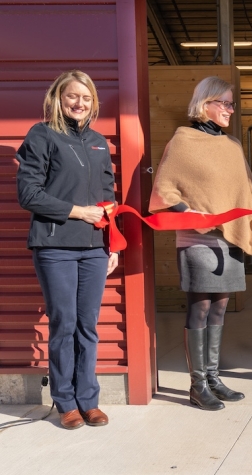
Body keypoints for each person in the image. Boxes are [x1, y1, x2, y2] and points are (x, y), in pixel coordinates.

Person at [149, 76, 252, 411]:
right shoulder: (183, 140)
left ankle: (214, 377)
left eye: (232, 103)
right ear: (204, 103)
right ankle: (197, 385)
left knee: (220, 305)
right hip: (196, 237)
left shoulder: (232, 146)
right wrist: (184, 209)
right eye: (224, 102)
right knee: (201, 306)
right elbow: (165, 186)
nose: (230, 110)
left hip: (230, 237)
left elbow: (249, 193)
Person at [16, 70, 118, 429]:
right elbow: (28, 193)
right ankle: (65, 401)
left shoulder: (99, 142)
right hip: (54, 245)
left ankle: (89, 400)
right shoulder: (42, 136)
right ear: (58, 99)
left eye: (86, 97)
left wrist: (113, 244)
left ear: (93, 103)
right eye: (72, 96)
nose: (79, 103)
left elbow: (109, 200)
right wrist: (76, 211)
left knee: (88, 325)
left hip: (94, 248)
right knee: (64, 324)